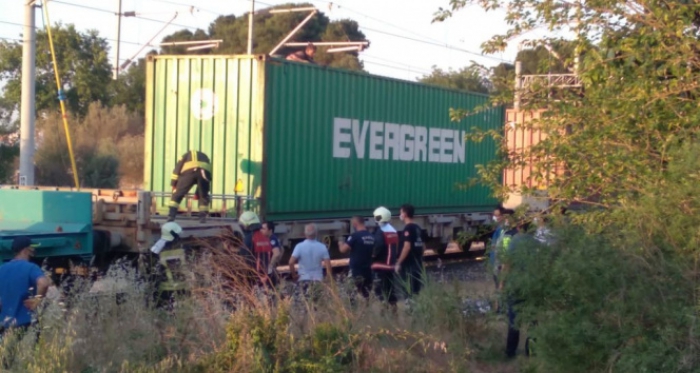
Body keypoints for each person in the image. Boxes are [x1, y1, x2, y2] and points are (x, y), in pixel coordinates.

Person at [499, 219, 537, 358]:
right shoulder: (536, 243)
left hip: (515, 285)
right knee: (533, 320)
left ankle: (510, 352)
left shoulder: (514, 241)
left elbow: (507, 263)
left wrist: (502, 283)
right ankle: (532, 352)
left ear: (520, 227)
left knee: (514, 321)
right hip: (532, 286)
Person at [0, 237, 49, 340]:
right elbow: (43, 284)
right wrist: (37, 299)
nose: (33, 250)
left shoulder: (2, 268)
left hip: (4, 323)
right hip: (26, 322)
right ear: (25, 250)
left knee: (7, 354)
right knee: (29, 353)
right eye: (31, 248)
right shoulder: (31, 267)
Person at [288, 224, 333, 302]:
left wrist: (294, 275)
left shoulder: (299, 246)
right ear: (316, 233)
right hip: (318, 279)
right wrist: (328, 278)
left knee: (303, 304)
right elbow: (328, 265)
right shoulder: (322, 247)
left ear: (305, 233)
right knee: (317, 303)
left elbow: (291, 262)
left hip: (303, 278)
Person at [168, 150, 212, 223]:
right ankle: (202, 218)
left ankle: (171, 216)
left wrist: (174, 184)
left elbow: (177, 169)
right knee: (203, 195)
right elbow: (208, 177)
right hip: (204, 172)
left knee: (177, 195)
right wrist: (198, 193)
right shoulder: (206, 157)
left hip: (189, 172)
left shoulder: (185, 156)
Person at [339, 216, 375, 302]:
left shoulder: (355, 236)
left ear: (355, 224)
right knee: (366, 293)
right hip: (368, 270)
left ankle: (353, 311)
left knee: (350, 293)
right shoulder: (371, 236)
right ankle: (366, 310)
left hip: (356, 270)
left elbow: (343, 250)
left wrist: (340, 242)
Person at [370, 206, 399, 311]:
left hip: (380, 265)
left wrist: (372, 255)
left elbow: (378, 246)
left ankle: (383, 308)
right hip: (390, 265)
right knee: (390, 287)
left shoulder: (380, 231)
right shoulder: (393, 230)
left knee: (379, 289)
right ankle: (393, 307)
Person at [395, 204, 425, 298]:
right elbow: (423, 247)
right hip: (418, 264)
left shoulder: (408, 229)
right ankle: (415, 310)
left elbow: (406, 247)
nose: (400, 215)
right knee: (416, 292)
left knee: (408, 291)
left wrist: (399, 262)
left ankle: (410, 310)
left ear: (405, 214)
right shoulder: (418, 228)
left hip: (408, 266)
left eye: (401, 212)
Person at [239, 211, 273, 288]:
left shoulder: (249, 239)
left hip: (253, 280)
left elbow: (243, 259)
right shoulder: (265, 238)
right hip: (265, 278)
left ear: (246, 225)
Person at [261, 221, 283, 287]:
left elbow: (276, 253)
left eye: (263, 229)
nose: (261, 230)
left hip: (269, 270)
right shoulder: (268, 238)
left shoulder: (272, 239)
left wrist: (270, 267)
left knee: (270, 287)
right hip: (268, 269)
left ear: (270, 230)